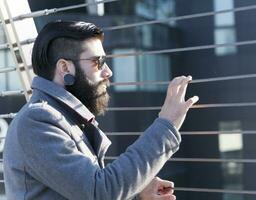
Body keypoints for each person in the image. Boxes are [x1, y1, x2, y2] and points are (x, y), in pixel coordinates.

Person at [3, 20, 199, 200]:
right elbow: (99, 192)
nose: (108, 72)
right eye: (98, 62)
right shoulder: (37, 120)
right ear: (64, 67)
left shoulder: (65, 118)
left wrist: (136, 195)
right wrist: (166, 124)